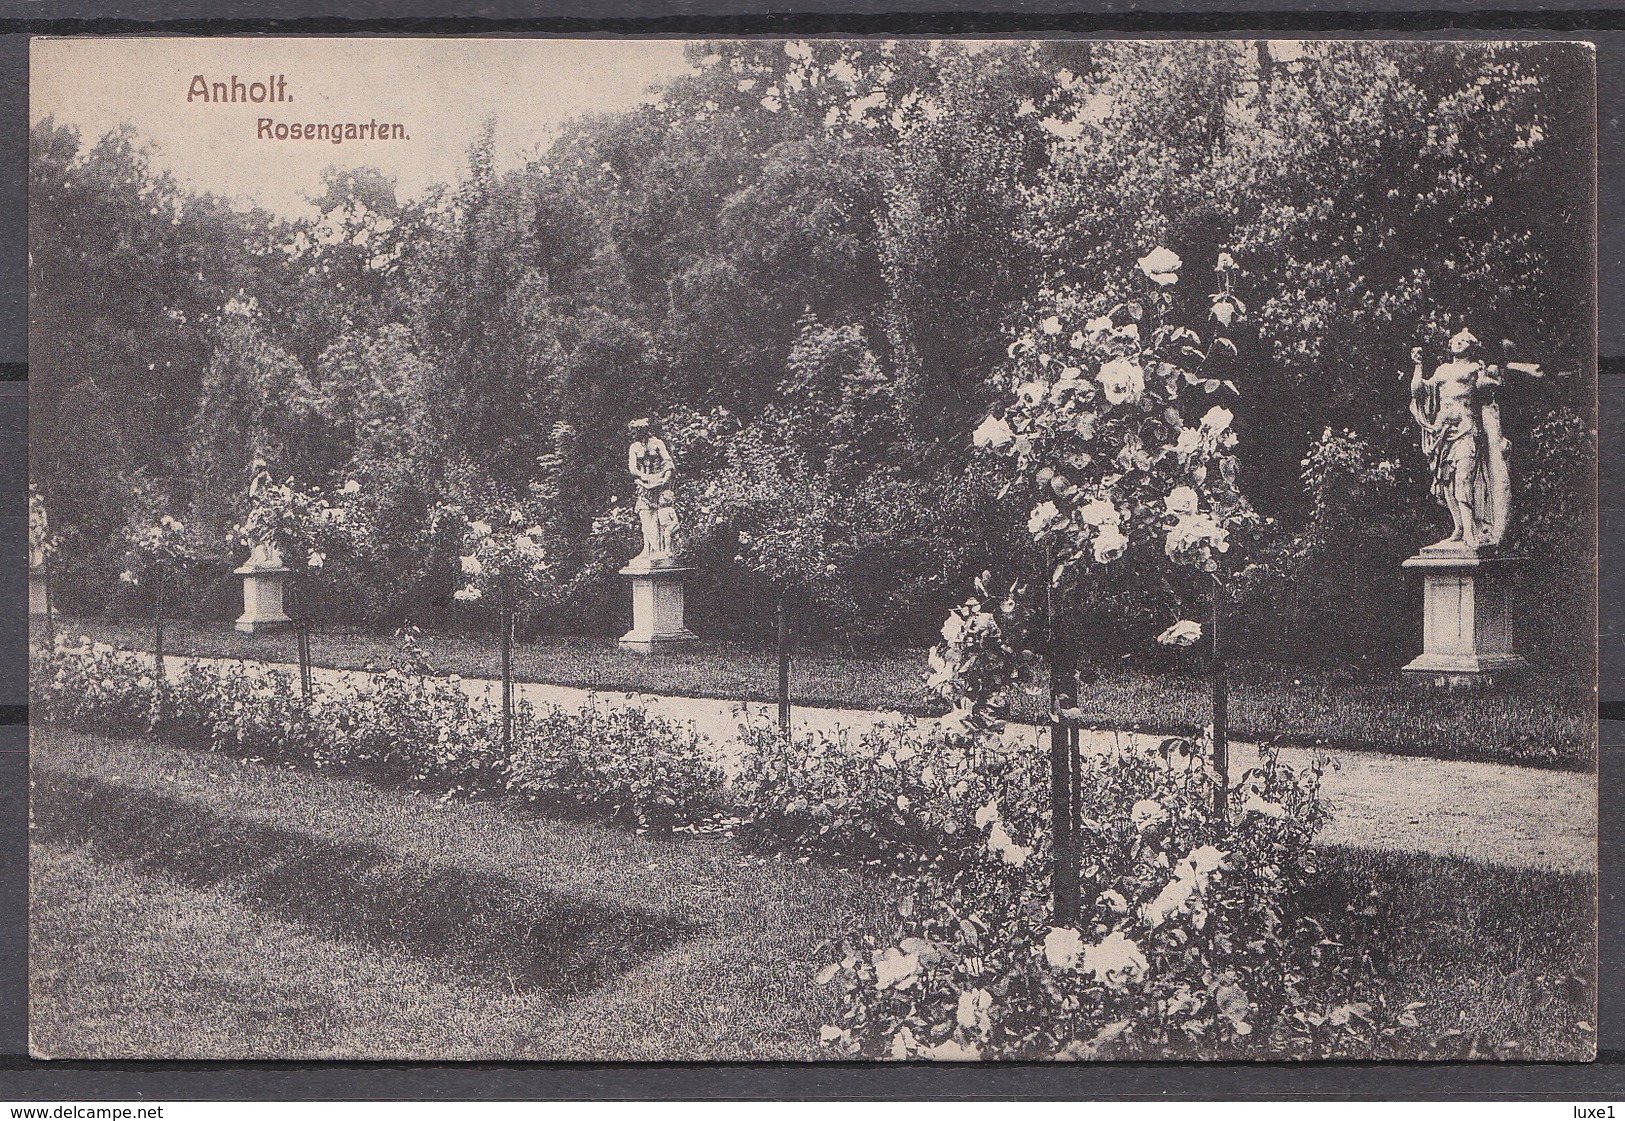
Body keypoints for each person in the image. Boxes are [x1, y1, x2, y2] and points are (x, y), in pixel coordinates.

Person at [1408, 330, 1538, 551]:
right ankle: (1458, 528)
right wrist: (1418, 365)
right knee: (1446, 482)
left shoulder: (1474, 368)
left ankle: (1470, 532)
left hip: (1467, 429)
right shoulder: (1443, 370)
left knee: (1463, 476)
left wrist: (1490, 377)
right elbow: (1419, 392)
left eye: (1463, 341)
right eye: (1455, 340)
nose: (1458, 343)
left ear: (1471, 346)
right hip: (1443, 433)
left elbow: (1487, 389)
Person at [627, 418, 678, 565]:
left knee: (661, 519)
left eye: (640, 431)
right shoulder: (634, 447)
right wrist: (644, 477)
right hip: (644, 486)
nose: (638, 435)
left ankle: (661, 551)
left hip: (660, 486)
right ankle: (647, 550)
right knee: (645, 518)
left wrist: (664, 478)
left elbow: (668, 463)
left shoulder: (657, 444)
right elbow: (632, 468)